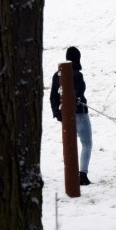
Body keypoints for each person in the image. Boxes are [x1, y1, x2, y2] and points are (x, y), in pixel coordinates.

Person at [50, 46, 93, 186]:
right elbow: (80, 91)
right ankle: (83, 174)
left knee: (70, 144)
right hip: (80, 112)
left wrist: (57, 112)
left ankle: (71, 173)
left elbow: (53, 97)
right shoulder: (78, 75)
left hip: (66, 115)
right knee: (86, 143)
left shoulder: (57, 75)